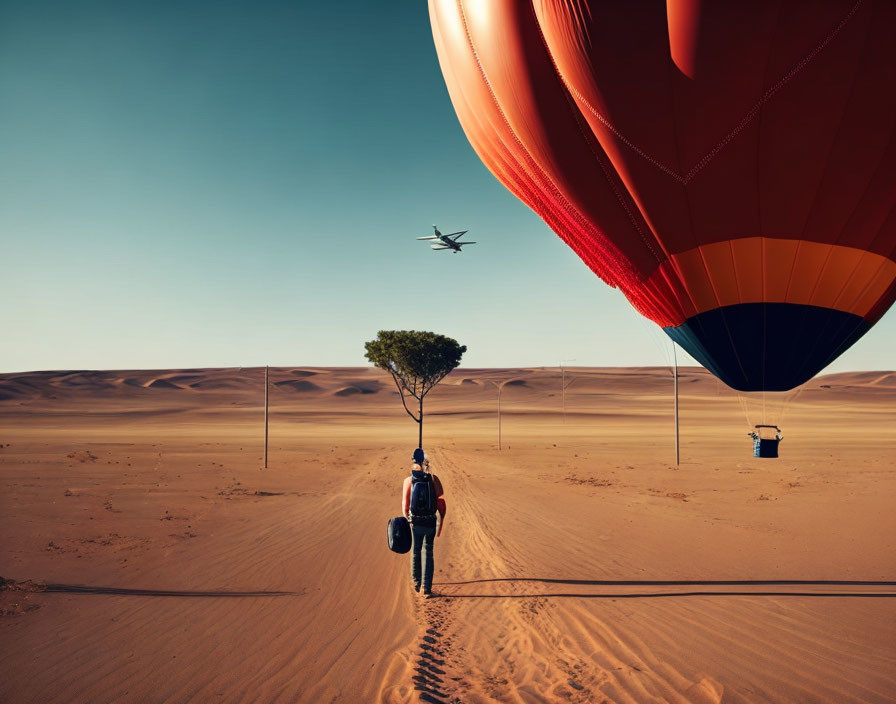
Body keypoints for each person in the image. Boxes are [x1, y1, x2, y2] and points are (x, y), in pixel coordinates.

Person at [401, 448, 446, 598]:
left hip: (416, 523)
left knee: (416, 551)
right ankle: (426, 588)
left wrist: (409, 519)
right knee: (429, 552)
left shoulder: (408, 480)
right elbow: (440, 495)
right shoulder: (433, 479)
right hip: (430, 522)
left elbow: (405, 504)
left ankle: (416, 583)